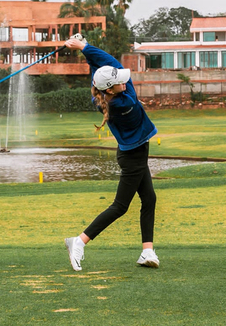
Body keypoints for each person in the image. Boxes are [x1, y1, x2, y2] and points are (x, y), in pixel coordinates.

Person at [63, 37, 159, 271]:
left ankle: (147, 251)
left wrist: (84, 49)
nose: (124, 83)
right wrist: (84, 48)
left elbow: (103, 67)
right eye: (119, 82)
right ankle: (80, 240)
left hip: (132, 154)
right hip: (134, 158)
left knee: (149, 199)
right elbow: (109, 61)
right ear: (110, 88)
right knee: (120, 206)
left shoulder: (103, 97)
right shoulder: (128, 102)